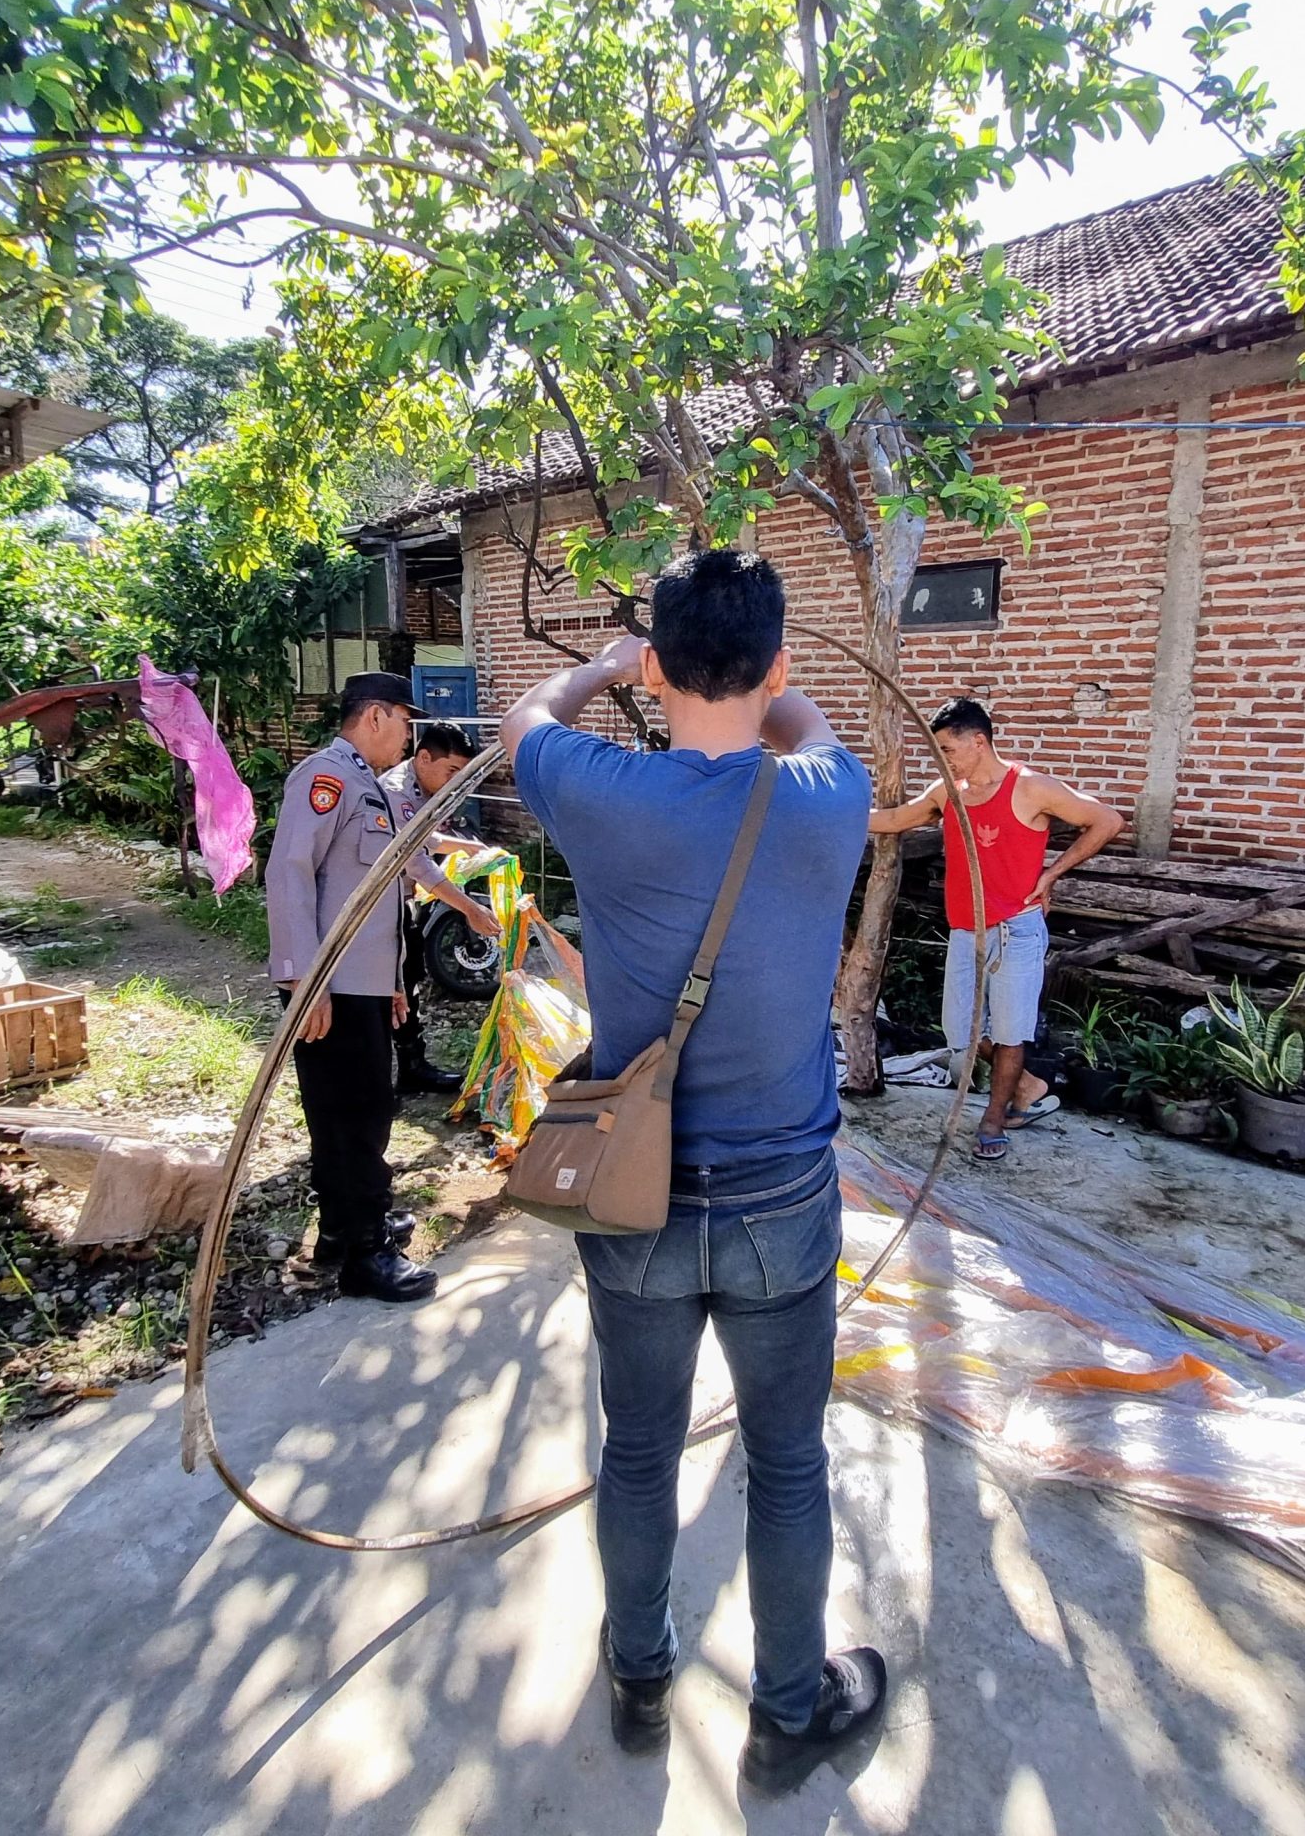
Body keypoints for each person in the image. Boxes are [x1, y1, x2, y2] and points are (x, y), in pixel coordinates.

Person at [503, 549, 887, 1797]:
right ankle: (786, 1713)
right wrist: (749, 681)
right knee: (786, 1464)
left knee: (636, 1452)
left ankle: (640, 1677)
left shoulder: (600, 788)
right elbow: (807, 721)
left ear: (658, 667)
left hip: (635, 1199)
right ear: (774, 663)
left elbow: (523, 720)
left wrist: (604, 666)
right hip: (782, 1204)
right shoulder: (830, 793)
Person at [868, 697, 1125, 1162]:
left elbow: (1107, 820)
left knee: (1010, 1032)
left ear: (979, 740)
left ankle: (994, 1118)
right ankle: (1027, 1086)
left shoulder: (1030, 788)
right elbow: (894, 819)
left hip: (1016, 932)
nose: (941, 759)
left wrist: (1052, 873)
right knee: (958, 1033)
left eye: (947, 749)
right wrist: (828, 816)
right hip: (966, 932)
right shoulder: (949, 791)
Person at [266, 671, 437, 1301]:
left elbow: (379, 897)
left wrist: (393, 981)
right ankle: (368, 1255)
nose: (407, 734)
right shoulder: (325, 779)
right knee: (357, 1116)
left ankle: (344, 1228)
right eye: (403, 719)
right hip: (328, 988)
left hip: (360, 985)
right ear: (373, 718)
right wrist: (303, 980)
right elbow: (290, 876)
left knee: (348, 1114)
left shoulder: (372, 789)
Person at [378, 722, 501, 1096]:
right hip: (378, 909)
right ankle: (380, 1084)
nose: (456, 784)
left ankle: (412, 1067)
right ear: (424, 757)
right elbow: (415, 860)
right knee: (384, 991)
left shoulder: (421, 789)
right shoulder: (397, 792)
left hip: (401, 903)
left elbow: (424, 838)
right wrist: (470, 909)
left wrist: (468, 848)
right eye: (451, 772)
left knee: (408, 978)